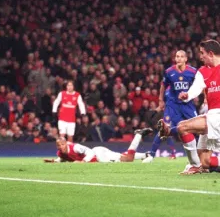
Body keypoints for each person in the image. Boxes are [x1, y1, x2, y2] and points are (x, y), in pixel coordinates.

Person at [158, 40, 220, 174]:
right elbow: (196, 88)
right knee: (205, 162)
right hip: (212, 115)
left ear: (210, 53)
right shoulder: (202, 71)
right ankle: (199, 165)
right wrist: (187, 95)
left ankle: (194, 165)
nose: (200, 56)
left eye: (202, 53)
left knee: (183, 127)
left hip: (217, 116)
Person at [143, 50, 197, 163]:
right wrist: (160, 100)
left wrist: (203, 98)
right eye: (177, 56)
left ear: (186, 59)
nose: (179, 58)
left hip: (188, 104)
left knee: (197, 128)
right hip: (172, 105)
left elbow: (199, 85)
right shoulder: (169, 72)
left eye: (182, 56)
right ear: (175, 58)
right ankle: (151, 155)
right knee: (164, 128)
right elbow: (163, 85)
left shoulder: (193, 72)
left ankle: (199, 155)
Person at [44, 128, 153, 163]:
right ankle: (145, 155)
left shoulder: (75, 147)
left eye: (61, 145)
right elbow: (63, 158)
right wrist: (54, 161)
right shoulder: (60, 153)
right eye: (58, 146)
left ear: (66, 143)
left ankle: (138, 135)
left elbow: (90, 151)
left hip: (99, 154)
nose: (59, 148)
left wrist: (83, 162)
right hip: (99, 155)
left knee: (128, 159)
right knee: (122, 156)